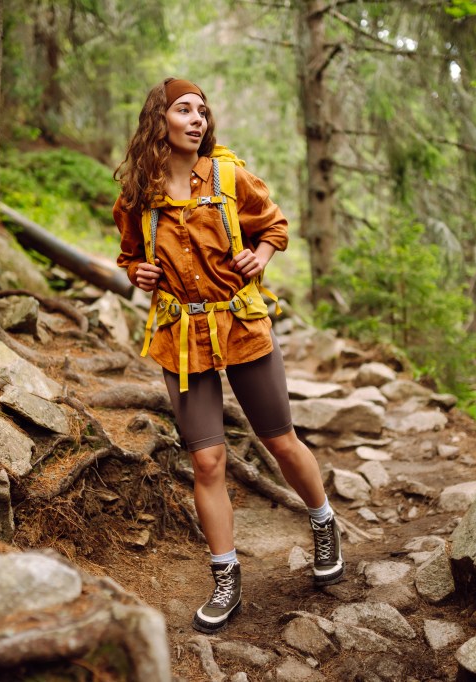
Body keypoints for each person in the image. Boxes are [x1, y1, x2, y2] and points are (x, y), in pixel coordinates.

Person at [113, 77, 343, 634]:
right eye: (184, 110)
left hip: (241, 321)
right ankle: (226, 576)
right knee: (207, 460)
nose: (197, 119)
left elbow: (276, 224)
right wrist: (137, 272)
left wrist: (261, 255)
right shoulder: (139, 195)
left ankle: (323, 521)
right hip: (181, 332)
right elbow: (129, 256)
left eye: (202, 112)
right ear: (159, 120)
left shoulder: (227, 175)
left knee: (280, 441)